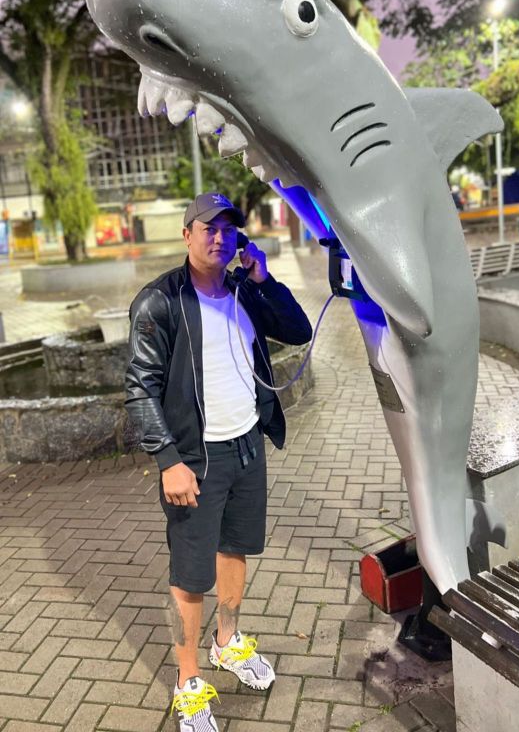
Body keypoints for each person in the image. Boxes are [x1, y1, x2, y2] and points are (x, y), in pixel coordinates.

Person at [125, 192, 312, 731]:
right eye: (208, 227)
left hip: (247, 445)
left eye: (228, 229)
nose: (219, 237)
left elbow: (298, 331)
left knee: (236, 548)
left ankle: (226, 641)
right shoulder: (159, 302)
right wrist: (168, 460)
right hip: (195, 459)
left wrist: (264, 279)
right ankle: (187, 680)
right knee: (190, 573)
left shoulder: (243, 289)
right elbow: (140, 387)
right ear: (187, 234)